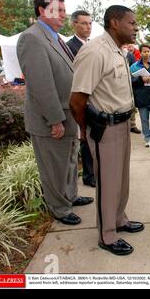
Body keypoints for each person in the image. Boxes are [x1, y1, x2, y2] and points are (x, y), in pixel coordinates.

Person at [69, 5, 144, 256]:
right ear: (114, 23)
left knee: (121, 180)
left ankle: (119, 219)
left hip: (122, 123)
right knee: (108, 183)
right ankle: (107, 235)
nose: (136, 28)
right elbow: (77, 99)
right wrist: (84, 130)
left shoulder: (118, 51)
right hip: (105, 128)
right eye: (132, 23)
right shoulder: (95, 51)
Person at [17, 0, 93, 226]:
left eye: (63, 10)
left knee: (69, 163)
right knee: (54, 168)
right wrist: (55, 120)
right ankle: (59, 208)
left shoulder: (53, 37)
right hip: (51, 120)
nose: (63, 14)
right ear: (42, 10)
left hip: (66, 115)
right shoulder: (32, 38)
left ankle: (69, 196)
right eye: (57, 10)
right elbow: (42, 85)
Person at [66, 10, 96, 188]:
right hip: (80, 99)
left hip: (95, 99)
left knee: (94, 138)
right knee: (84, 138)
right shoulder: (70, 46)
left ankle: (95, 171)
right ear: (74, 24)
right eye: (84, 23)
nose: (88, 27)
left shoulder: (92, 45)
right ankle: (88, 175)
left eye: (90, 23)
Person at [130, 44, 150, 147]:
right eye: (144, 51)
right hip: (141, 96)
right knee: (144, 120)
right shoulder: (134, 66)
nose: (146, 53)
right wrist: (141, 79)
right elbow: (130, 81)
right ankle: (147, 138)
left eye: (148, 51)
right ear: (140, 52)